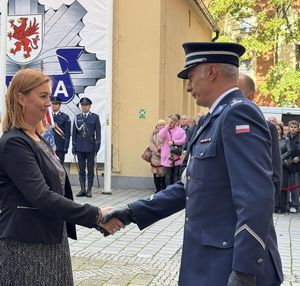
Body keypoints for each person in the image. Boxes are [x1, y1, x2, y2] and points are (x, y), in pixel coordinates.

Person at [103, 42, 283, 286]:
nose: (188, 87)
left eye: (190, 76)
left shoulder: (238, 115)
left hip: (229, 264)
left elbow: (256, 197)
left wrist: (244, 271)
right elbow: (190, 186)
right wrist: (132, 212)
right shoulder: (213, 119)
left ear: (211, 72)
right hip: (208, 261)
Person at [0, 68, 123, 286]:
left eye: (49, 96)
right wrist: (95, 215)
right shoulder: (14, 143)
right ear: (21, 98)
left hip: (51, 239)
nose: (49, 102)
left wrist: (95, 221)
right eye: (43, 96)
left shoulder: (37, 138)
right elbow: (42, 196)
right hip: (27, 247)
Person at [238, 73, 282, 213]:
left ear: (250, 97)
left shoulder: (266, 128)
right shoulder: (216, 124)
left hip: (253, 209)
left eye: (236, 92)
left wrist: (263, 209)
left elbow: (275, 174)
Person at [72, 97, 101, 198]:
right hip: (79, 147)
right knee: (81, 170)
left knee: (90, 169)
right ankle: (82, 189)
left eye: (86, 105)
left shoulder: (95, 117)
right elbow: (74, 133)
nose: (84, 107)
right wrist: (74, 146)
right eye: (82, 105)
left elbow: (98, 133)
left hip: (90, 146)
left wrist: (97, 146)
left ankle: (89, 190)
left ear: (89, 106)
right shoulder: (77, 117)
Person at [158, 114, 186, 186]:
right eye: (168, 122)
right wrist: (166, 127)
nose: (170, 124)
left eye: (171, 122)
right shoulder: (165, 130)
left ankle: (175, 191)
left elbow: (184, 140)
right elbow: (160, 135)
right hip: (167, 157)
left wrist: (174, 142)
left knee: (176, 176)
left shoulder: (180, 130)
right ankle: (168, 191)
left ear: (175, 122)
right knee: (168, 175)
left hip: (177, 156)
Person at [284, 120, 300, 213]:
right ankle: (286, 204)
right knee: (286, 186)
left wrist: (299, 157)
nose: (293, 129)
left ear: (298, 128)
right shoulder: (285, 138)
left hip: (296, 166)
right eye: (291, 127)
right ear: (289, 128)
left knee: (295, 187)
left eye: (295, 127)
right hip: (286, 165)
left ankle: (295, 205)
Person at [51, 97, 71, 164]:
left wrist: (66, 147)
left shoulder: (65, 117)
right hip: (49, 146)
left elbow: (67, 133)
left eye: (55, 104)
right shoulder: (47, 116)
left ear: (59, 105)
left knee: (60, 166)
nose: (53, 105)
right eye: (52, 103)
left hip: (60, 146)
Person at [275, 122, 289, 213]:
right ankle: (274, 206)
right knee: (274, 186)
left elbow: (289, 151)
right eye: (275, 129)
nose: (277, 131)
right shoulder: (271, 139)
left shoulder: (286, 140)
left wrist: (280, 158)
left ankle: (282, 207)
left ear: (281, 130)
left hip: (283, 166)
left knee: (283, 187)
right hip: (273, 166)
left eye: (279, 129)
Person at [149, 119, 166, 193]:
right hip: (155, 157)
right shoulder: (153, 134)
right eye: (158, 125)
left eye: (161, 125)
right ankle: (157, 189)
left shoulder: (166, 133)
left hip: (163, 156)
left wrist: (161, 150)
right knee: (156, 174)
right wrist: (155, 151)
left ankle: (163, 189)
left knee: (163, 174)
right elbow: (151, 143)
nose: (160, 126)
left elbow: (166, 143)